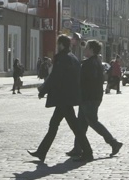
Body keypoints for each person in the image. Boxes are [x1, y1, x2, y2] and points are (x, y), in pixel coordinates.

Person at [28, 35, 91, 164]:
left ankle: (88, 152)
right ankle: (41, 152)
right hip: (68, 97)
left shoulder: (63, 58)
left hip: (63, 98)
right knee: (55, 125)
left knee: (71, 127)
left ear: (61, 44)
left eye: (58, 44)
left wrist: (43, 90)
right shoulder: (73, 58)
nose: (57, 46)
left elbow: (54, 77)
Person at [67, 40, 123, 161]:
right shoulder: (96, 61)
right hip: (90, 97)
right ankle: (77, 148)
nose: (84, 49)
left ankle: (113, 143)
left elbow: (86, 81)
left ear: (91, 50)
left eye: (86, 48)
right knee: (80, 124)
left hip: (89, 98)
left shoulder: (90, 64)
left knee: (93, 122)